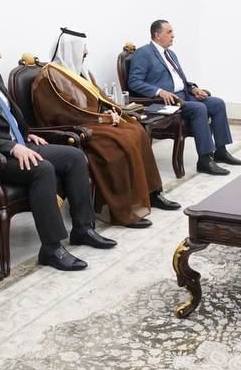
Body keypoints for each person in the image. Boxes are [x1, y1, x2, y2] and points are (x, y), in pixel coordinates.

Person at [0, 28, 116, 272]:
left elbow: (6, 113)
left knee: (74, 156)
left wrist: (25, 133)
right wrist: (12, 146)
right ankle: (51, 248)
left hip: (16, 145)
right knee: (42, 169)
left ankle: (83, 229)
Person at [33, 28, 180, 227]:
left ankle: (152, 193)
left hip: (93, 121)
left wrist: (111, 111)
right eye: (82, 49)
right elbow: (63, 112)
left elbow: (99, 99)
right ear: (71, 50)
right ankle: (121, 209)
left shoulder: (81, 72)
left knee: (136, 129)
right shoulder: (49, 76)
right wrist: (103, 118)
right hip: (76, 127)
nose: (86, 52)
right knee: (120, 142)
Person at [126, 19, 241, 176]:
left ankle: (220, 151)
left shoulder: (170, 54)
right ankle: (204, 160)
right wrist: (159, 91)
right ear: (157, 35)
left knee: (217, 103)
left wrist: (194, 89)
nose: (173, 35)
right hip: (167, 101)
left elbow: (181, 80)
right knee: (199, 108)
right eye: (169, 32)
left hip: (185, 95)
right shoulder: (144, 53)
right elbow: (134, 82)